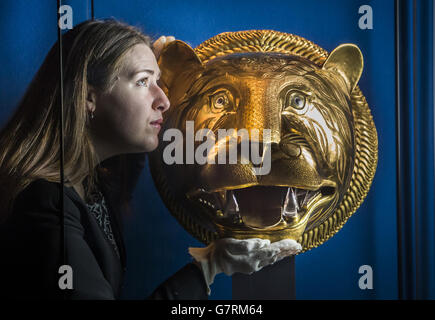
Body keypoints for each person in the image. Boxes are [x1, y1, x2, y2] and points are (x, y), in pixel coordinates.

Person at [0, 19, 301, 300]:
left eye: (159, 83)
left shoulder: (88, 183)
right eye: (144, 82)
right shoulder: (44, 205)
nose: (165, 101)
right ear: (87, 97)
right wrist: (207, 268)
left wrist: (152, 68)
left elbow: (124, 168)